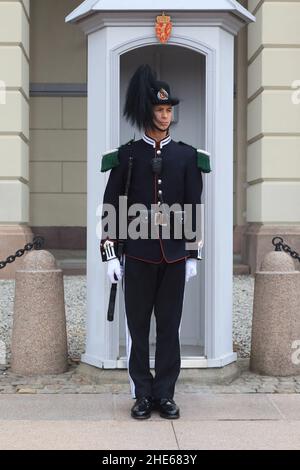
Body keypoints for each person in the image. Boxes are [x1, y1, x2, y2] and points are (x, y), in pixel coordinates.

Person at [100, 64, 211, 420]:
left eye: (168, 110)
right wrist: (110, 256)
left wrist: (193, 254)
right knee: (137, 327)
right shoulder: (128, 155)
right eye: (159, 110)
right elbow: (110, 205)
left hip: (175, 257)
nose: (165, 115)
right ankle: (142, 394)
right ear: (147, 112)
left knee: (169, 328)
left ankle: (165, 393)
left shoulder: (187, 156)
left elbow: (194, 206)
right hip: (138, 255)